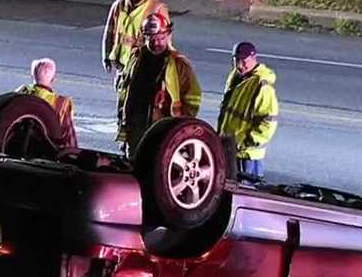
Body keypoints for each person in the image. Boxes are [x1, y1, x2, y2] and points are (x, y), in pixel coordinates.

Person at [115, 13, 201, 158]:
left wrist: (180, 125)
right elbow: (125, 91)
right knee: (133, 164)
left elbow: (193, 98)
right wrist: (123, 126)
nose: (156, 43)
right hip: (136, 126)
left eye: (160, 38)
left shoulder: (179, 64)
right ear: (145, 37)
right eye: (152, 39)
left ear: (167, 36)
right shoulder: (136, 58)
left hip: (162, 130)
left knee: (155, 165)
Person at [216, 41, 278, 181]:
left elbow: (268, 123)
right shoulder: (236, 76)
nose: (239, 65)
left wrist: (245, 144)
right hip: (230, 150)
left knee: (247, 190)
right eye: (236, 60)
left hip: (247, 157)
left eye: (243, 61)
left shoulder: (262, 85)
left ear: (254, 58)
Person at [102, 0, 168, 85]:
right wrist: (106, 56)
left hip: (143, 69)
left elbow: (166, 44)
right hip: (122, 67)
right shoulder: (118, 6)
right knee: (122, 95)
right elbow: (109, 32)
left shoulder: (156, 8)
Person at [16, 58, 78, 150]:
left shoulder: (20, 92)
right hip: (46, 152)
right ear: (53, 78)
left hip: (16, 147)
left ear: (33, 75)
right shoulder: (62, 104)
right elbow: (70, 139)